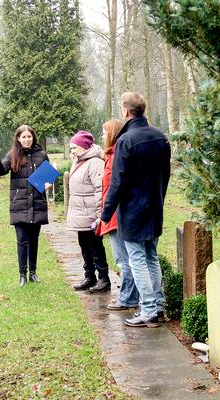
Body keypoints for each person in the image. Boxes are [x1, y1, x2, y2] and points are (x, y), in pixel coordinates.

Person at [100, 92, 171, 328]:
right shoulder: (160, 137)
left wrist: (105, 214)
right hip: (154, 207)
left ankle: (149, 309)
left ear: (126, 111)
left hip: (132, 210)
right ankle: (158, 306)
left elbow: (117, 182)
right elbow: (165, 176)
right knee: (151, 256)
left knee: (138, 258)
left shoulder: (126, 141)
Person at [0, 125, 49, 287]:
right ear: (18, 139)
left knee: (34, 239)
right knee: (22, 240)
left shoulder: (41, 155)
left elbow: (47, 177)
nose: (27, 140)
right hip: (19, 203)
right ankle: (22, 274)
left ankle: (33, 272)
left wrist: (47, 184)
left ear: (33, 137)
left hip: (37, 203)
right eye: (23, 137)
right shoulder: (13, 155)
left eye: (29, 137)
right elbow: (1, 171)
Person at [96, 119, 139, 311]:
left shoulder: (115, 157)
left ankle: (128, 298)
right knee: (125, 258)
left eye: (105, 133)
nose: (102, 136)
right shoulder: (111, 155)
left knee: (123, 259)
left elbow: (115, 187)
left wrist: (106, 213)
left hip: (116, 215)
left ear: (113, 134)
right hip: (113, 212)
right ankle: (130, 296)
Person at [67, 130, 111, 293]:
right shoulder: (78, 161)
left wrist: (99, 215)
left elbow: (100, 189)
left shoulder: (94, 163)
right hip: (80, 213)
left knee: (95, 246)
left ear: (84, 147)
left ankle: (104, 279)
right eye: (71, 148)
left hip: (91, 213)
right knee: (84, 246)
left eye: (75, 147)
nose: (72, 151)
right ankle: (89, 276)